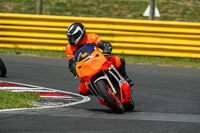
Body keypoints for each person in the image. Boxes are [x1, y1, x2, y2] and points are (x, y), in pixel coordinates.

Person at [65, 23, 133, 95]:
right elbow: (71, 62)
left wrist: (106, 49)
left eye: (73, 37)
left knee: (117, 60)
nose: (71, 39)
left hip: (99, 59)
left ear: (80, 34)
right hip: (86, 67)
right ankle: (99, 92)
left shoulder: (91, 37)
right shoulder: (69, 48)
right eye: (70, 37)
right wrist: (75, 72)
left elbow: (103, 44)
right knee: (82, 90)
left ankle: (125, 78)